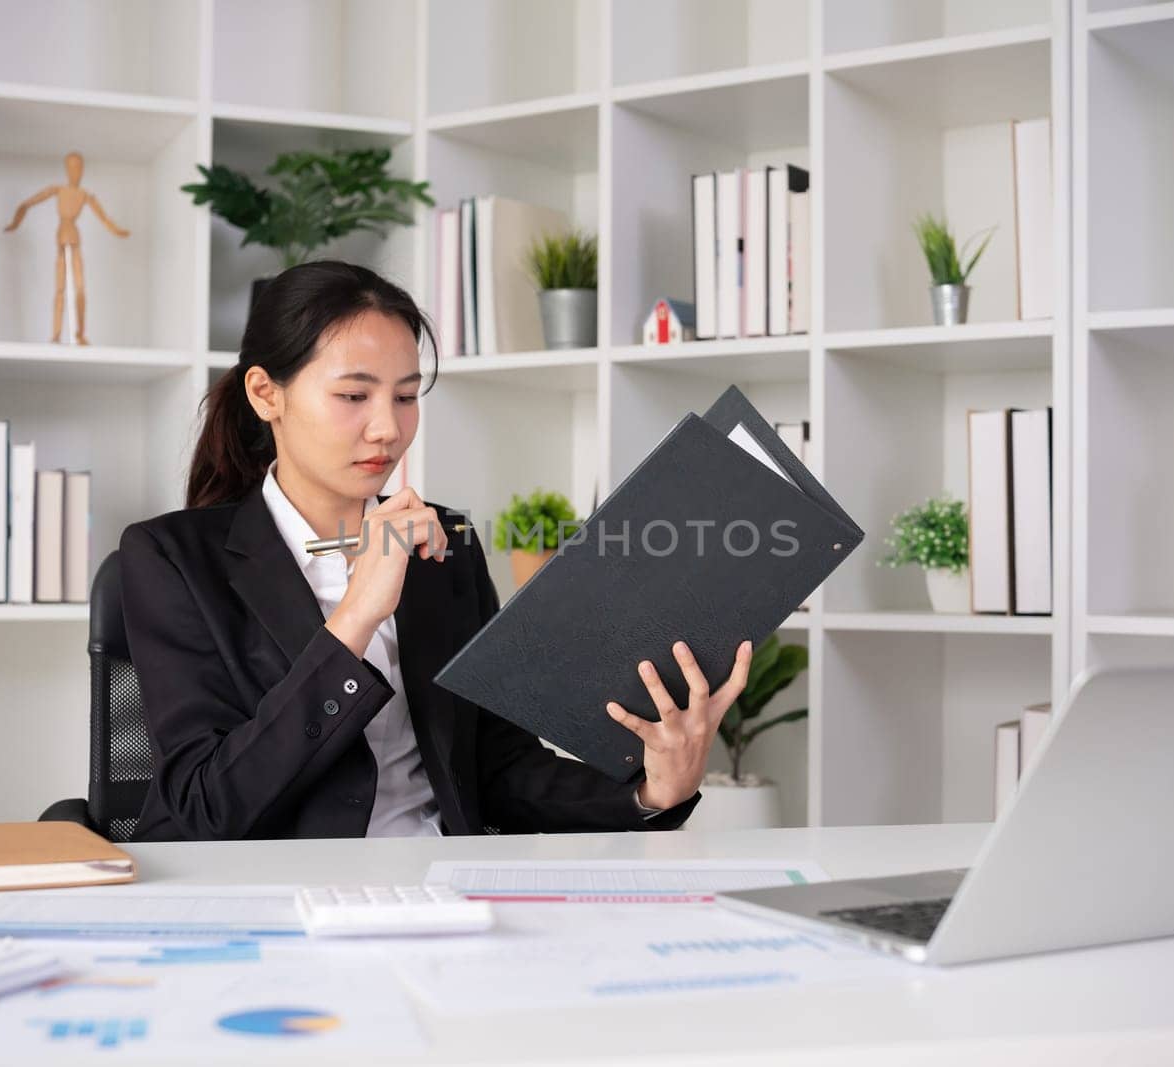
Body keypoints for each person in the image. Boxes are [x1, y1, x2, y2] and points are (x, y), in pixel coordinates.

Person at [119, 260, 751, 841]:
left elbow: (495, 766)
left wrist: (650, 793)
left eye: (404, 395)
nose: (388, 428)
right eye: (353, 396)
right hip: (274, 908)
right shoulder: (171, 559)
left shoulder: (443, 544)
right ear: (266, 395)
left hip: (439, 888)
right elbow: (207, 809)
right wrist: (355, 619)